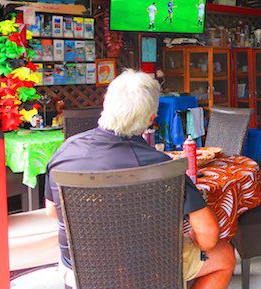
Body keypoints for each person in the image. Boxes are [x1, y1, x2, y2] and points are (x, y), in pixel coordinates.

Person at [45, 70, 235, 288]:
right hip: (150, 269)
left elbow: (52, 212)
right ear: (151, 118)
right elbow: (209, 237)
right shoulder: (162, 167)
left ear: (106, 105)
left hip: (79, 271)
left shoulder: (66, 150)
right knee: (224, 255)